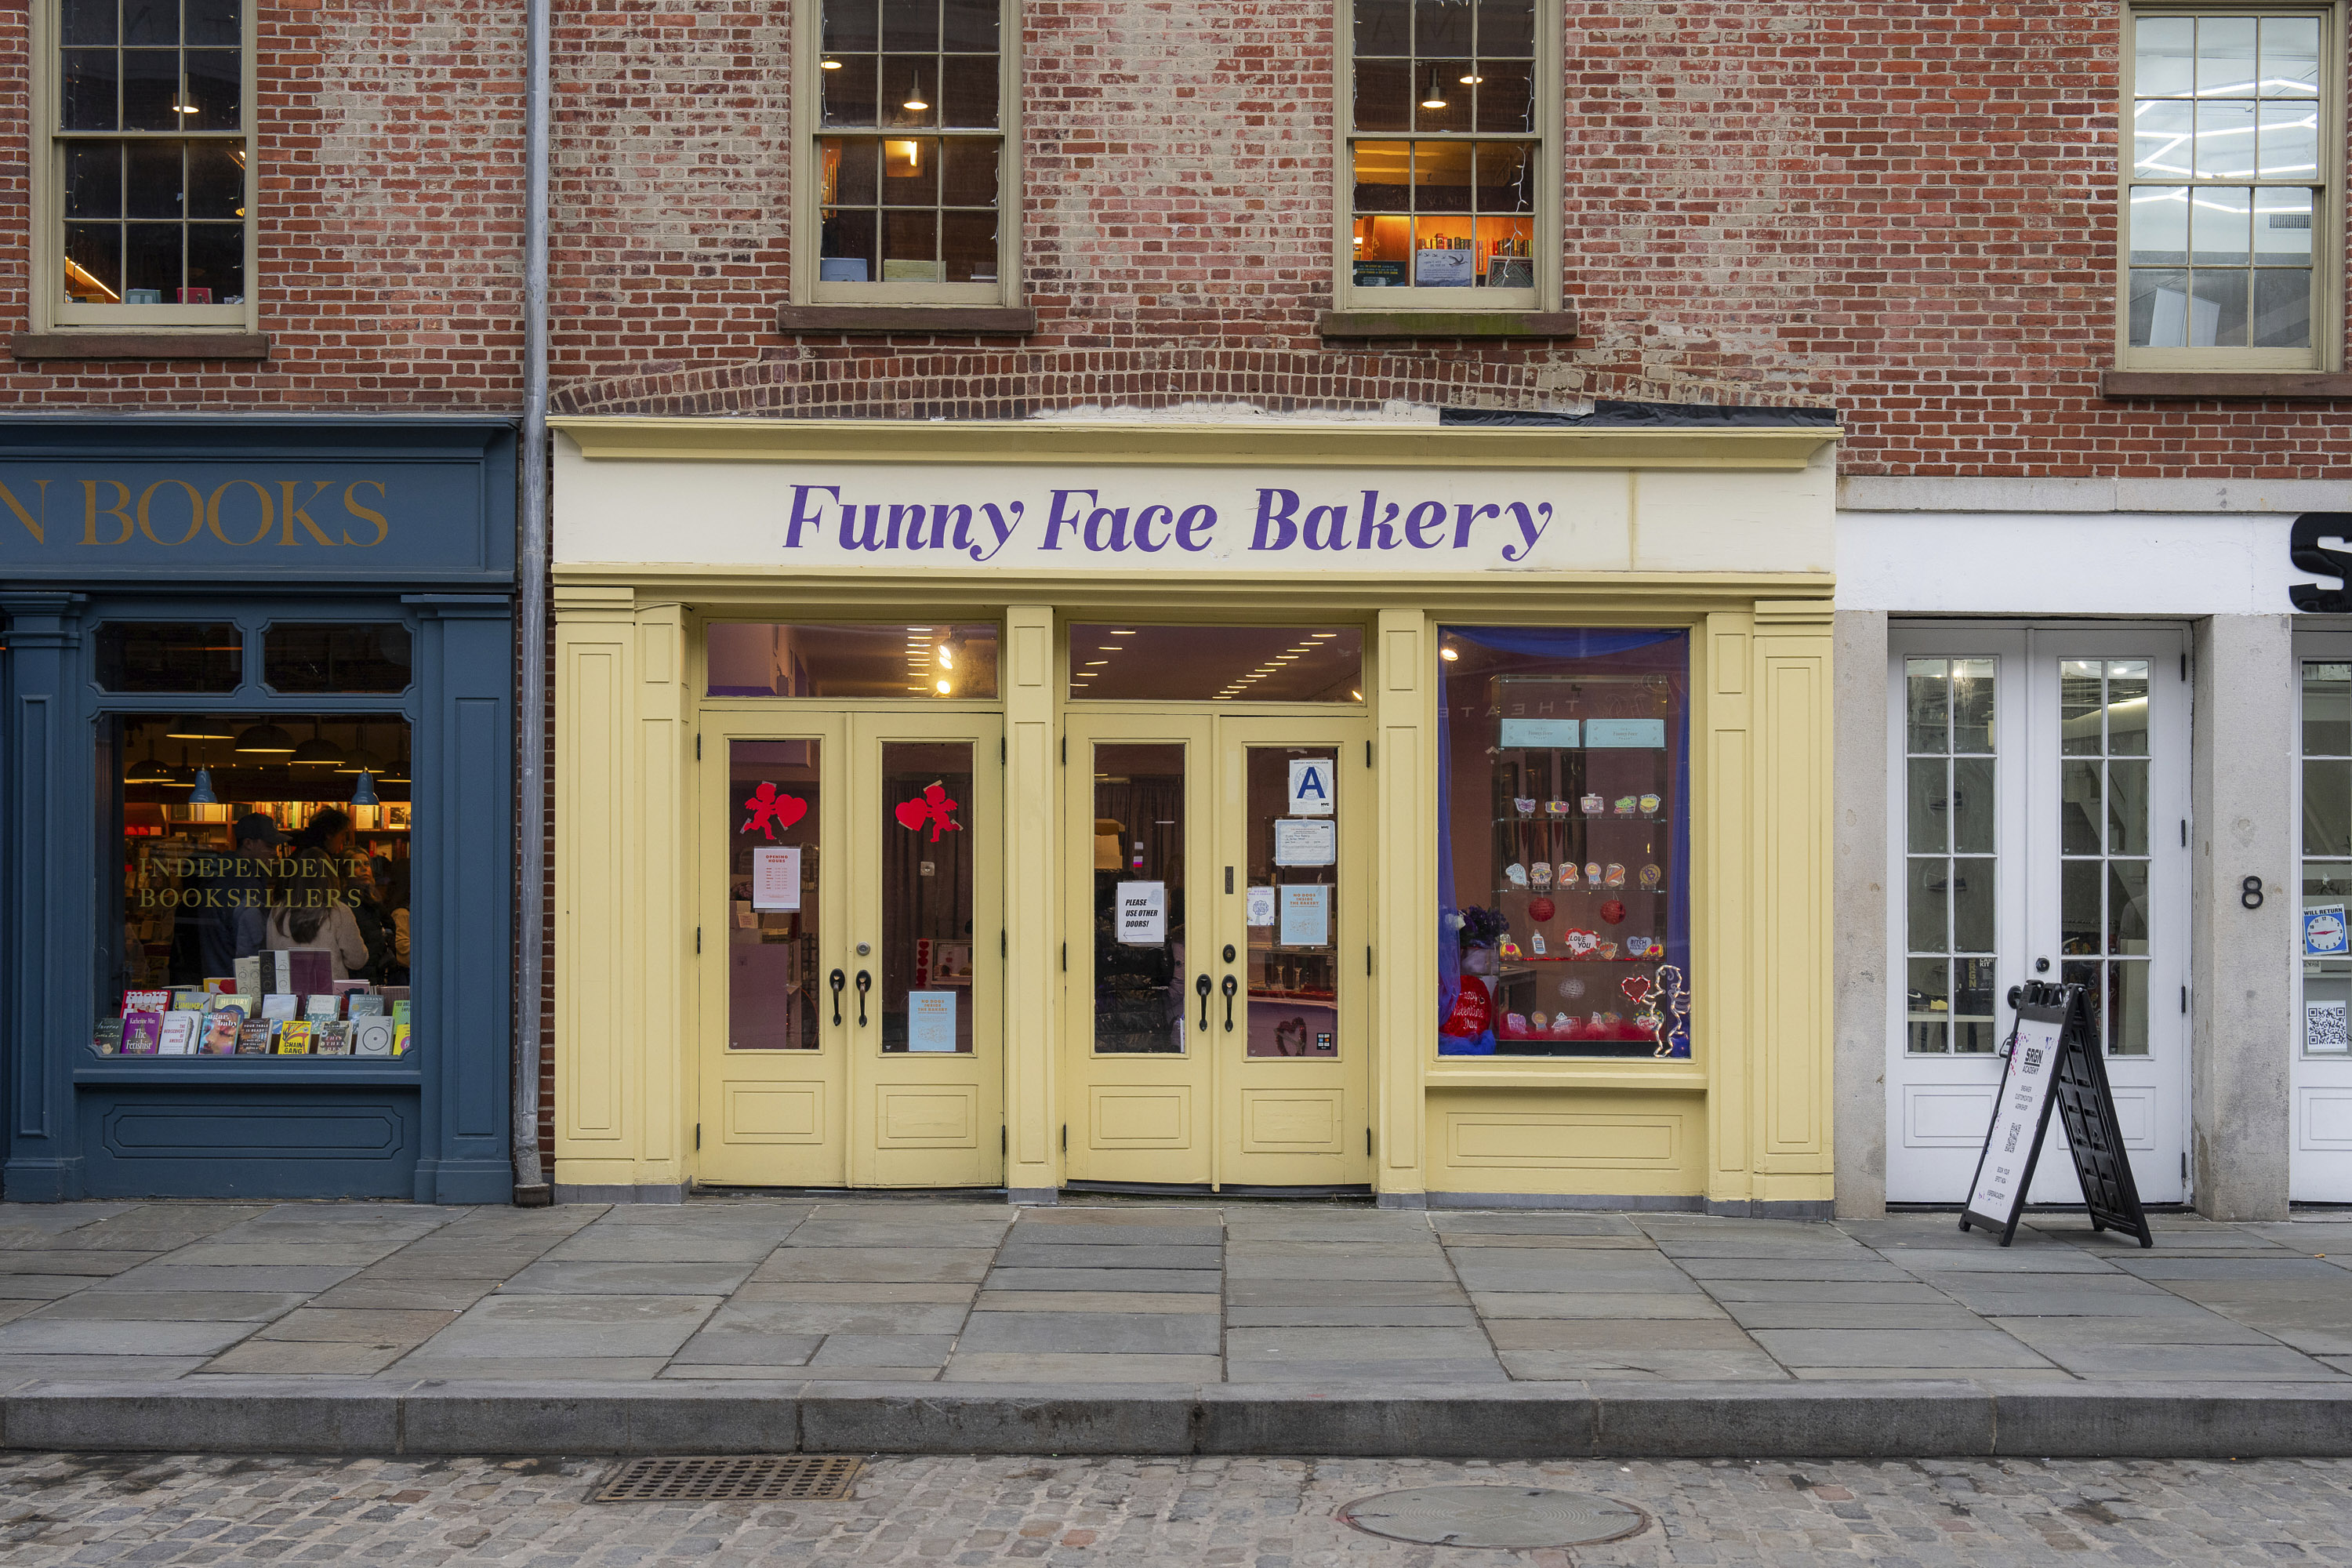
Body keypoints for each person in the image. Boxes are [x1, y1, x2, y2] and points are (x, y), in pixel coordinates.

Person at [194, 813, 284, 980]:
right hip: (239, 983)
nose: (275, 853)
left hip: (216, 977)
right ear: (248, 843)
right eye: (270, 846)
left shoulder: (218, 876)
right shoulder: (244, 882)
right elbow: (250, 945)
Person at [264, 868, 371, 982]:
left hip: (287, 994)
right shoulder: (339, 911)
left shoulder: (278, 911)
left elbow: (272, 956)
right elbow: (357, 960)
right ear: (330, 878)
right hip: (329, 994)